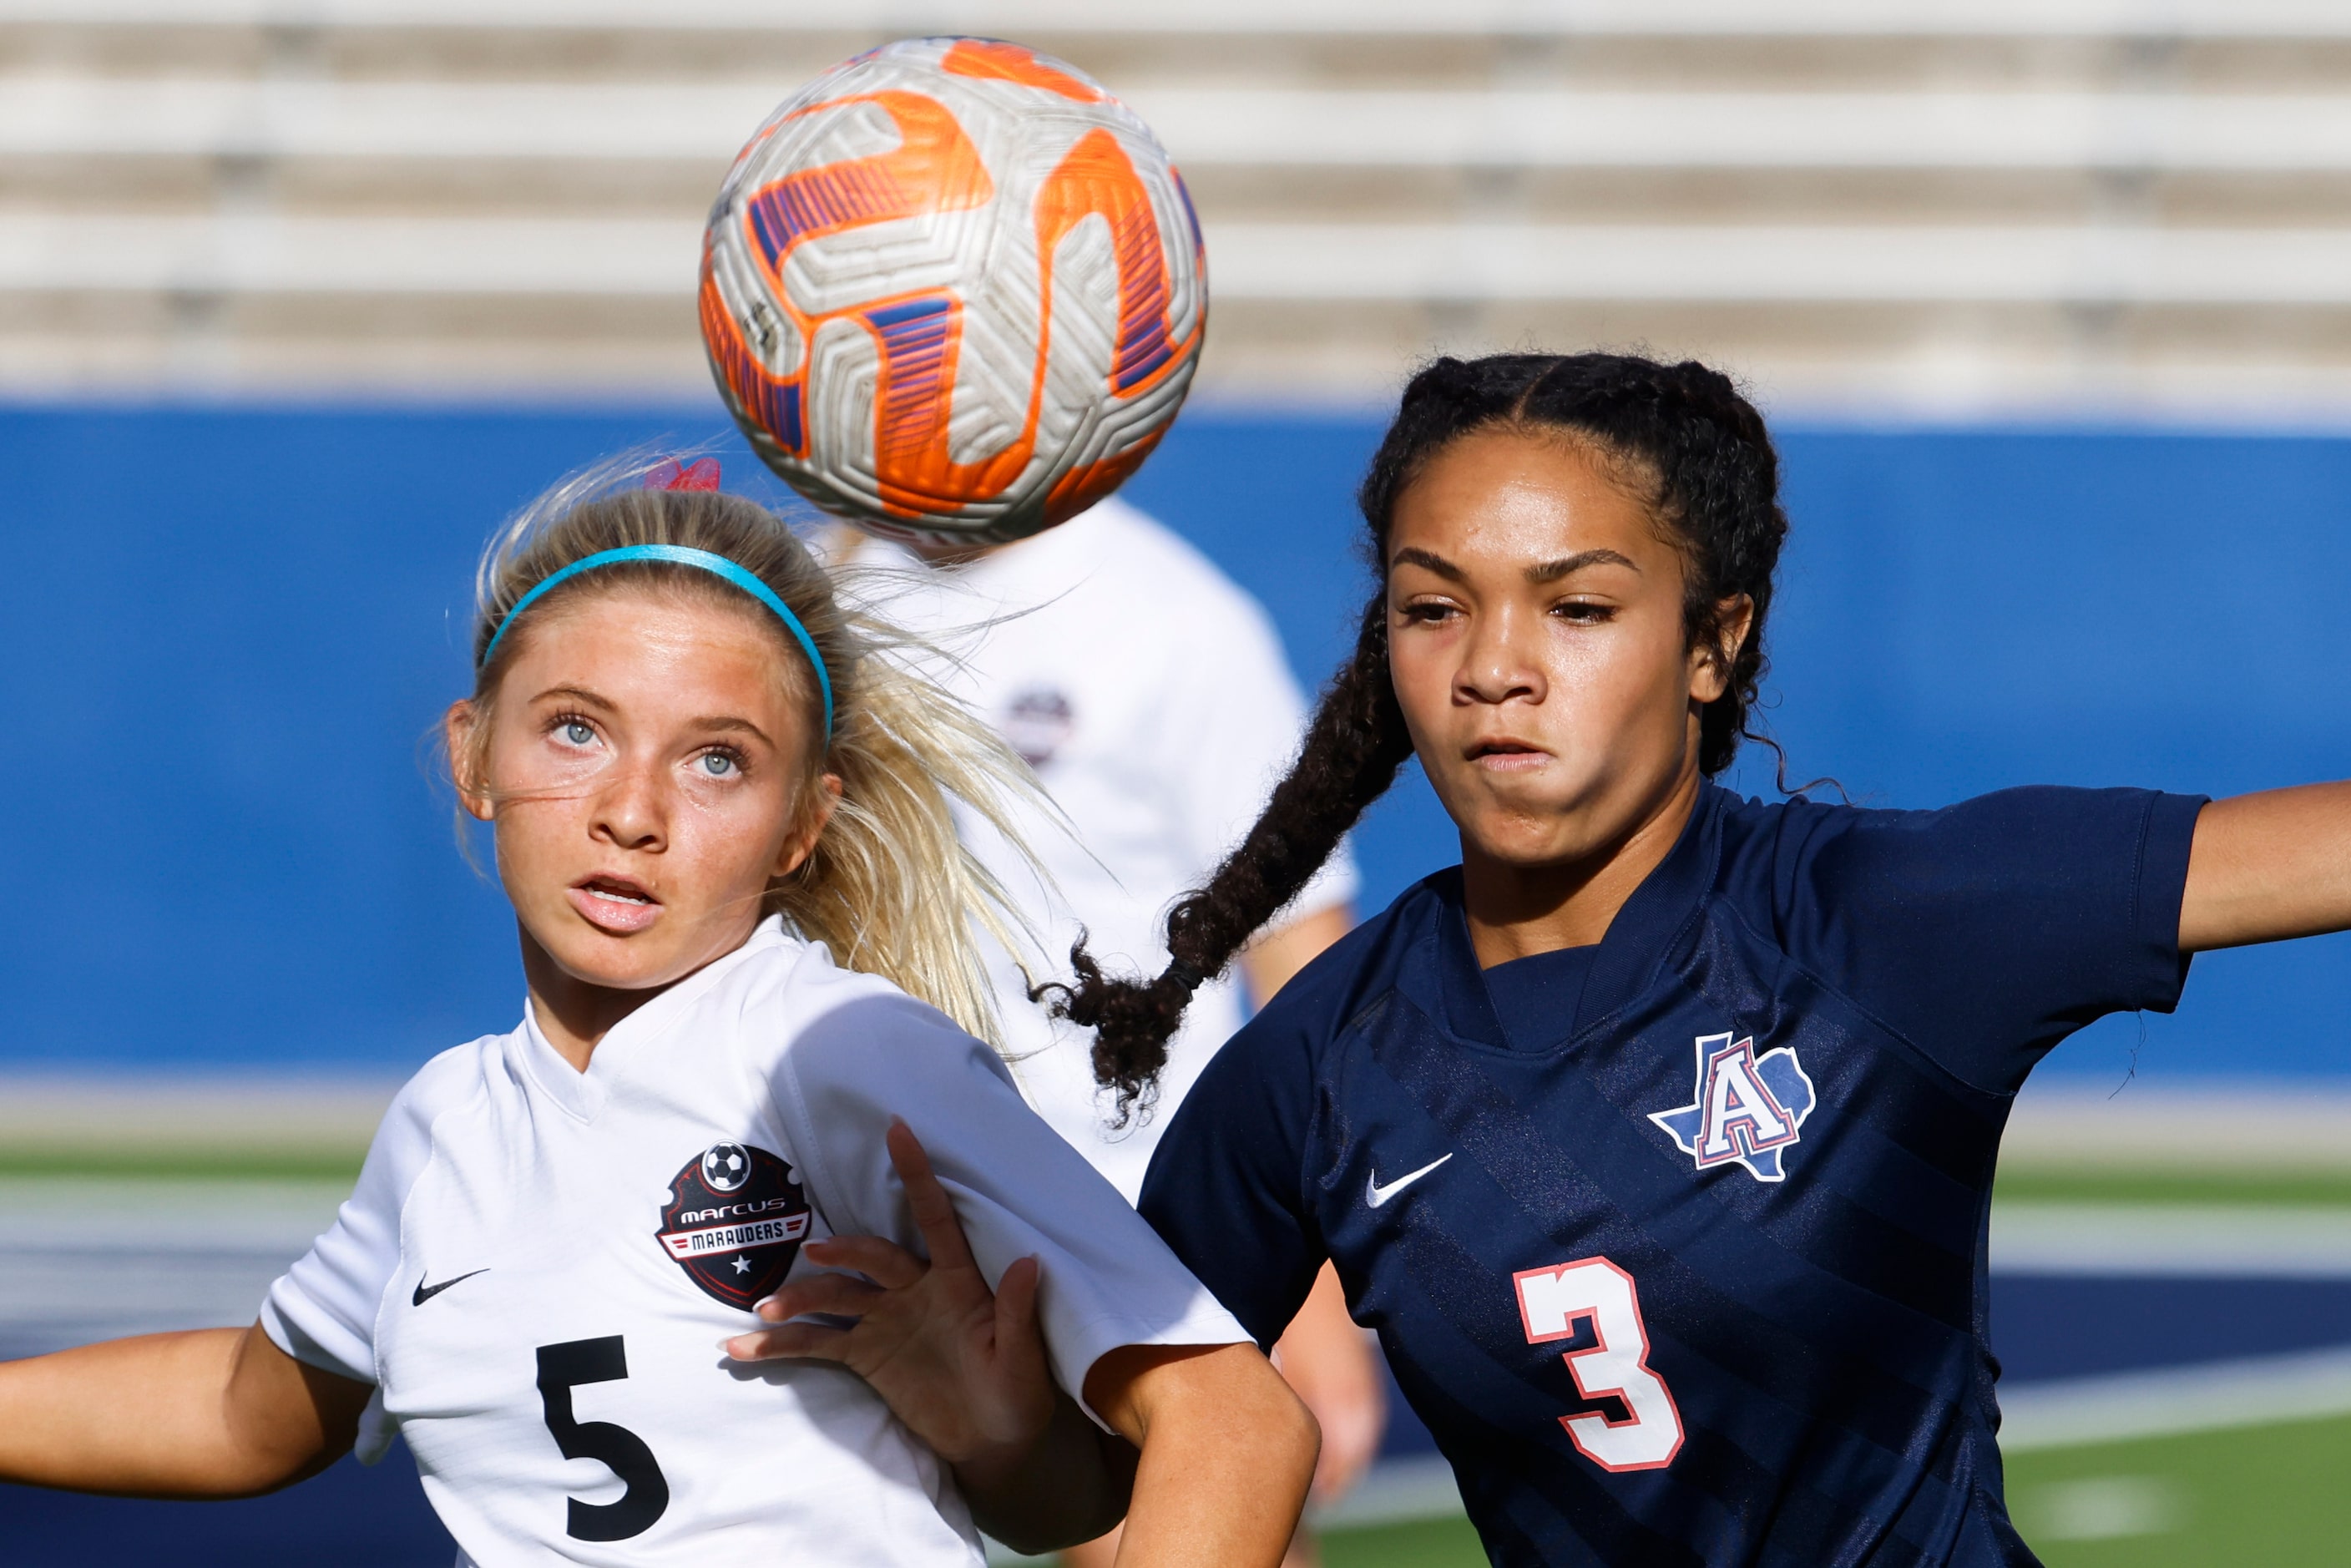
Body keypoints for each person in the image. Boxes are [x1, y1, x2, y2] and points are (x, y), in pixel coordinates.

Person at [841, 351, 2351, 1565]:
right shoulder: (1315, 1066)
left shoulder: (1882, 921)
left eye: (1577, 606)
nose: (1496, 664)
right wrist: (993, 1431)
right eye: (1435, 607)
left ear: (1712, 640)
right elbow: (1108, 1495)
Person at [0, 459, 1317, 1566]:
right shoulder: (446, 1125)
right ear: (473, 755)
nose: (632, 810)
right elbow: (248, 1413)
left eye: (716, 758)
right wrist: (1013, 1454)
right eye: (575, 729)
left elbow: (1235, 1421)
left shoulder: (846, 1053)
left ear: (806, 821)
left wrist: (1009, 1441)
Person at [847, 492, 1387, 1563]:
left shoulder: (1168, 617)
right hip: (900, 1212)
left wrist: (1321, 1291)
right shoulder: (837, 595)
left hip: (1134, 1212)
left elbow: (1301, 960)